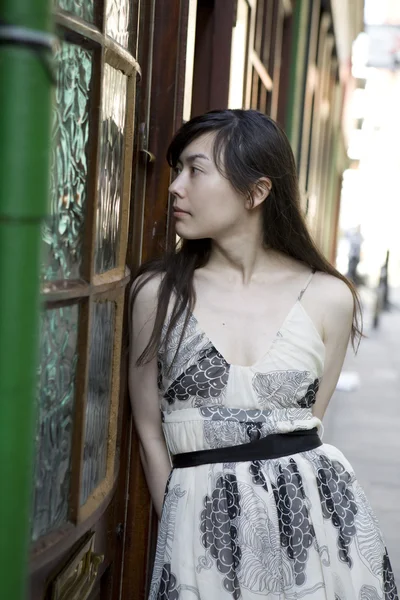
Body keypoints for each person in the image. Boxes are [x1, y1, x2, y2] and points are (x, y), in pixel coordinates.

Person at [129, 110, 398, 600]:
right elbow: (148, 428)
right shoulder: (158, 294)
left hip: (317, 531)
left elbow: (307, 428)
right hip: (199, 531)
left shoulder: (328, 298)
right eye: (176, 170)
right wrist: (180, 523)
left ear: (256, 192)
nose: (175, 187)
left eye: (195, 170)